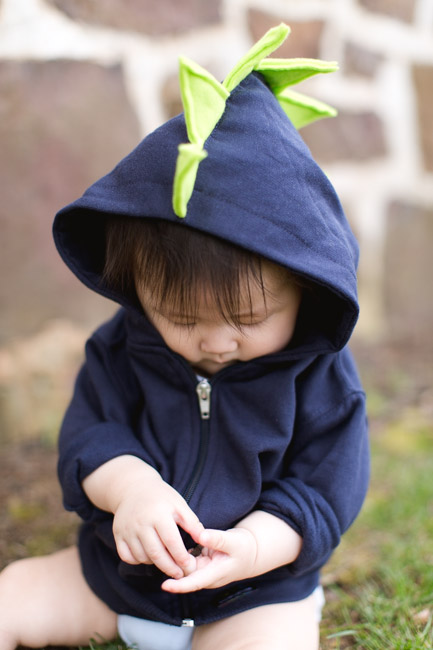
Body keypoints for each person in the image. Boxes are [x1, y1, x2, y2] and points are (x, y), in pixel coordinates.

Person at [0, 24, 369, 650]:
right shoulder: (123, 347)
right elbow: (91, 436)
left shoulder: (321, 377)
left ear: (305, 289)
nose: (215, 342)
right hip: (117, 580)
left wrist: (252, 547)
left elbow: (322, 491)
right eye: (182, 317)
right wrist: (133, 490)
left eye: (248, 320)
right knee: (11, 595)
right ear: (141, 290)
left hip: (256, 592)